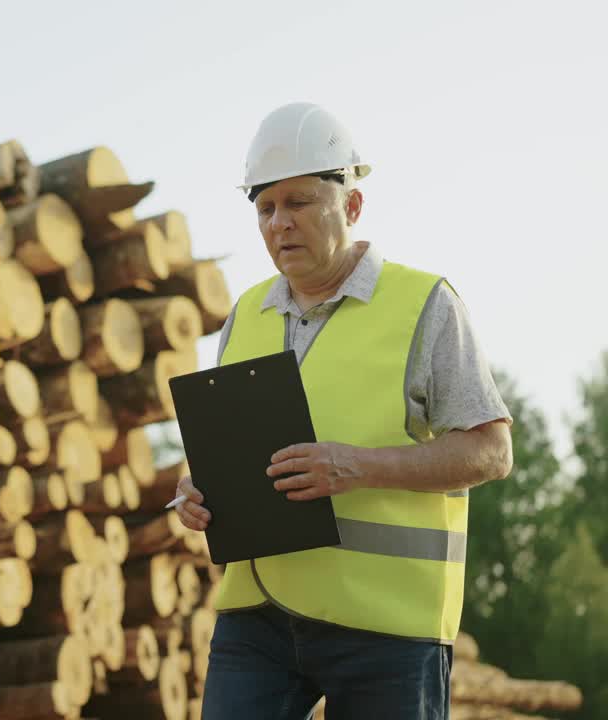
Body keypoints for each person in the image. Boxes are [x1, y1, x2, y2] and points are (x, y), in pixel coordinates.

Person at [171, 102, 514, 719]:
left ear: (351, 206)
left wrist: (357, 467)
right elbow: (219, 453)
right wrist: (195, 488)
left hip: (387, 629)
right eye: (266, 208)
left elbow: (492, 451)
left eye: (299, 203)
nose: (280, 223)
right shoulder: (244, 314)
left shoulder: (424, 304)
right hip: (256, 619)